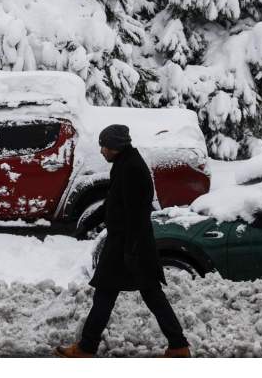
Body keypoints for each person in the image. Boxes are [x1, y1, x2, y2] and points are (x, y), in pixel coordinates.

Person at [54, 124, 191, 358]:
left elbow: (137, 214)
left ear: (115, 147)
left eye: (104, 146)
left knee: (115, 295)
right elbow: (113, 202)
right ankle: (178, 346)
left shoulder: (132, 169)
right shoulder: (124, 165)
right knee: (140, 295)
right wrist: (89, 222)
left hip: (129, 246)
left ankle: (87, 348)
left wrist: (131, 250)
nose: (101, 151)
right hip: (128, 245)